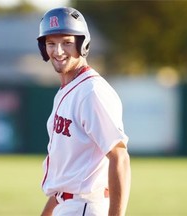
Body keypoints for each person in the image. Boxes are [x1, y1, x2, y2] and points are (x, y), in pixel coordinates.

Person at [37, 7, 131, 216]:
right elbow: (69, 175)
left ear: (83, 44)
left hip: (86, 206)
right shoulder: (70, 89)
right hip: (70, 204)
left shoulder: (92, 92)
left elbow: (120, 157)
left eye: (67, 42)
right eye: (51, 43)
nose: (58, 51)